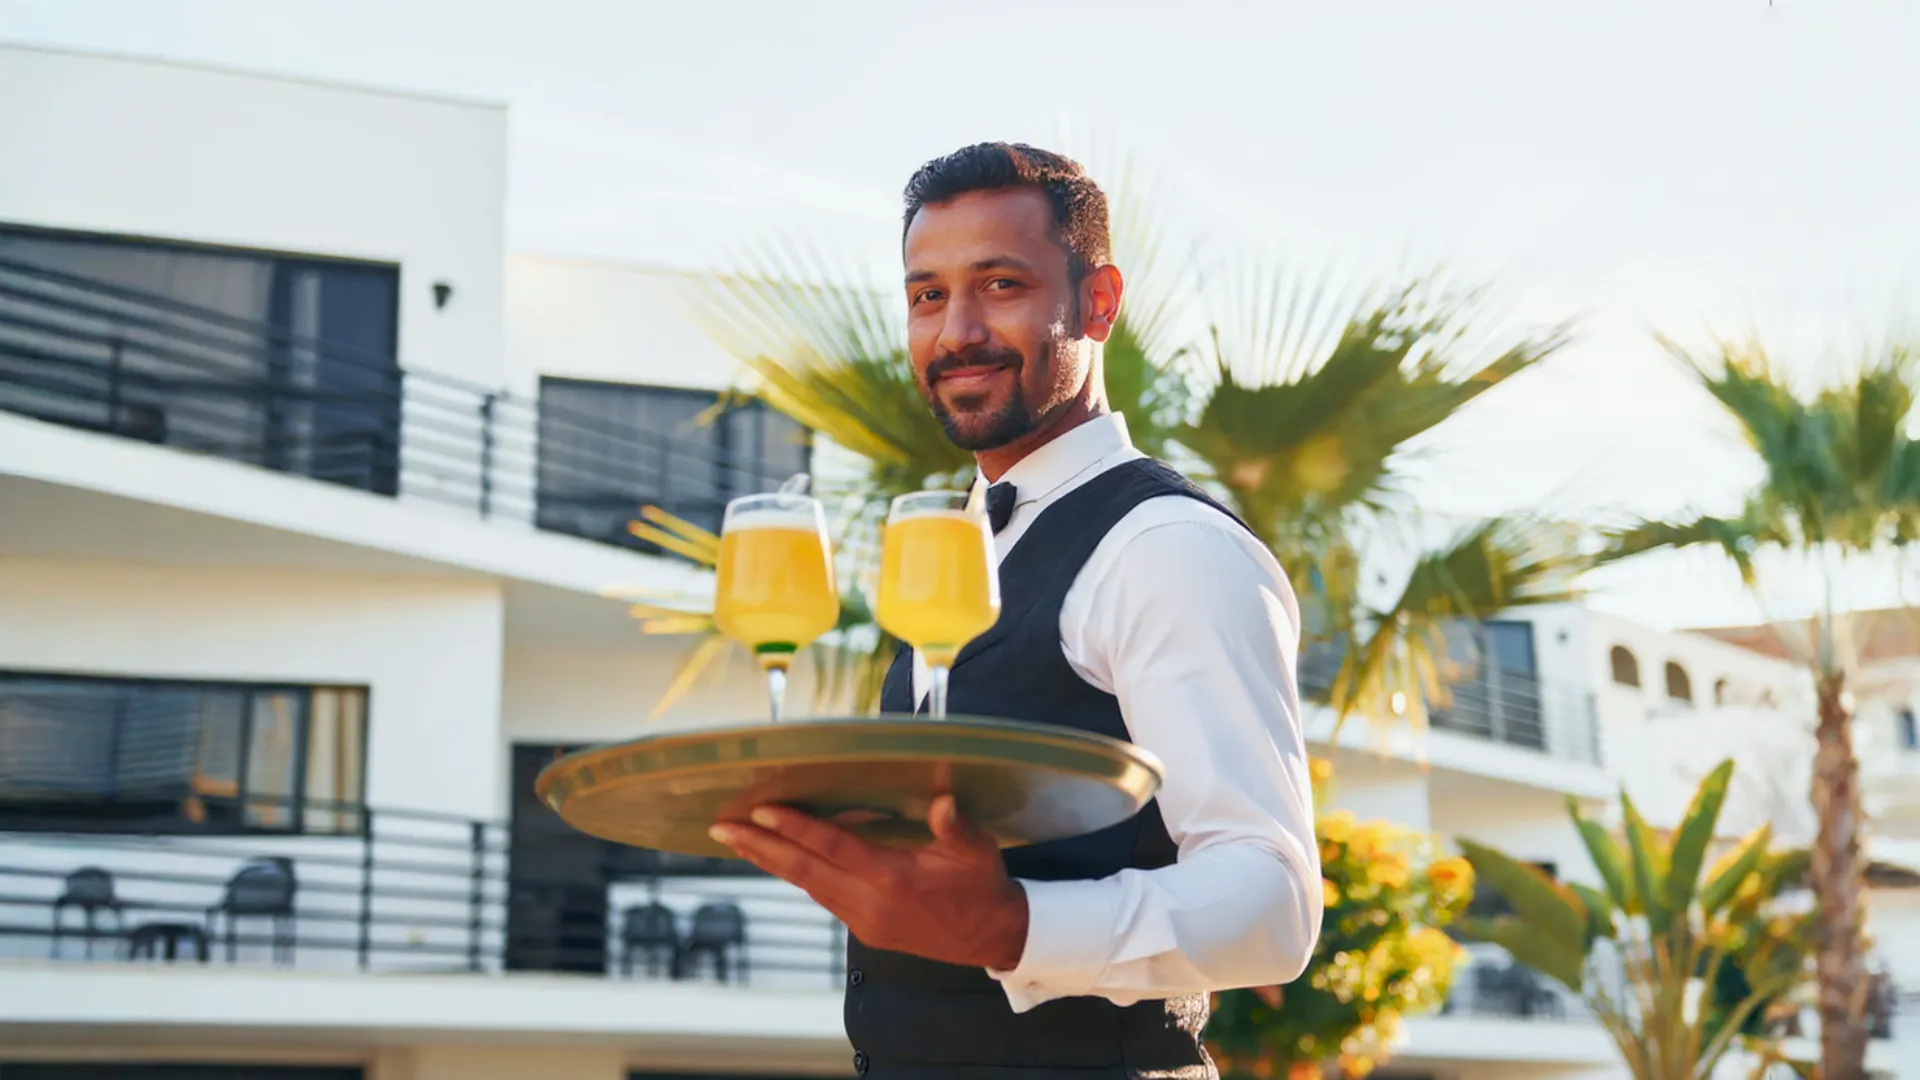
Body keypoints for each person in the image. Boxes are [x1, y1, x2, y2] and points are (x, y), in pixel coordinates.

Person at [708, 142, 1320, 1080]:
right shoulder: (957, 546)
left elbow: (1273, 907)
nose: (956, 331)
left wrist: (1013, 925)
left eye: (1000, 284)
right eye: (926, 295)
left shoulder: (1167, 547)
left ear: (1099, 302)